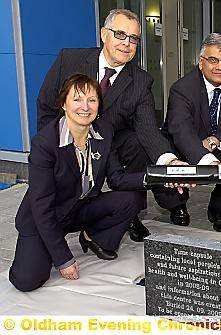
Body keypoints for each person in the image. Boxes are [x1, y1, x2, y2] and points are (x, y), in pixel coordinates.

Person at [37, 9, 188, 243]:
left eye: (133, 38)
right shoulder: (69, 60)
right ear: (103, 34)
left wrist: (170, 162)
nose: (126, 43)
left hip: (113, 141)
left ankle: (129, 212)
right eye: (120, 34)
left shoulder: (141, 80)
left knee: (139, 143)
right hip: (69, 139)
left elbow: (148, 128)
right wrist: (49, 151)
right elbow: (46, 107)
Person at [9, 74, 148, 292]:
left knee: (132, 199)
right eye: (77, 99)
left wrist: (155, 180)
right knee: (26, 281)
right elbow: (41, 207)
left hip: (78, 208)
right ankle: (44, 248)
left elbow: (117, 179)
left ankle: (91, 237)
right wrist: (64, 259)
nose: (85, 107)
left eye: (92, 100)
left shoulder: (103, 131)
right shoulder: (45, 143)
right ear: (63, 104)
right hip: (44, 217)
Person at [161, 33, 221, 233]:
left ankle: (218, 211)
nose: (220, 67)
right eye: (213, 60)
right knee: (170, 156)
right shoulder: (182, 89)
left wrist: (216, 140)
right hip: (185, 146)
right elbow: (181, 131)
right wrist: (206, 159)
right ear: (201, 62)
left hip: (215, 144)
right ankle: (178, 205)